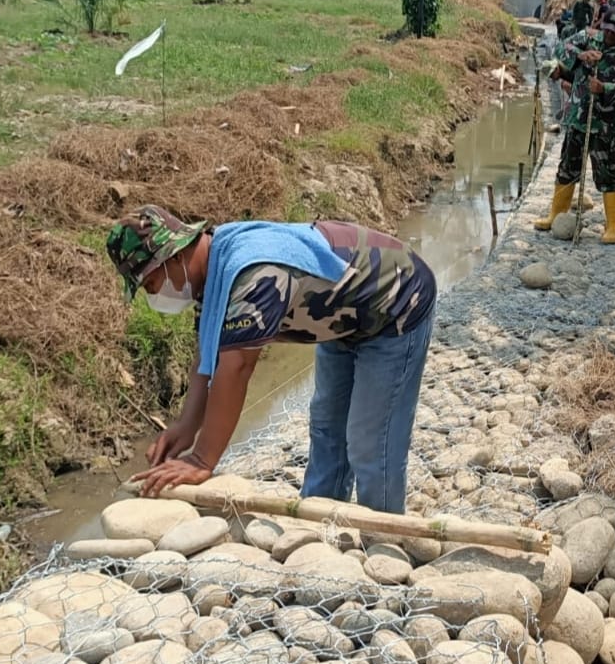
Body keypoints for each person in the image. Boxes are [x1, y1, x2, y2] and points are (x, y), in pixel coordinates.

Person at [105, 206, 436, 513]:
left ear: (174, 257)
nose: (153, 295)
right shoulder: (213, 274)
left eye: (151, 283)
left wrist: (201, 459)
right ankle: (321, 521)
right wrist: (186, 426)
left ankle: (382, 537)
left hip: (395, 304)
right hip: (343, 319)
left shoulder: (250, 273)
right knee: (327, 426)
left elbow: (236, 368)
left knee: (369, 440)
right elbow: (207, 360)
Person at [535, 2, 615, 244]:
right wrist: (579, 56)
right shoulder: (589, 38)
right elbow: (561, 48)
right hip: (578, 120)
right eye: (606, 28)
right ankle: (556, 215)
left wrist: (605, 88)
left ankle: (612, 226)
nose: (609, 34)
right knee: (567, 167)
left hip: (605, 126)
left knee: (607, 173)